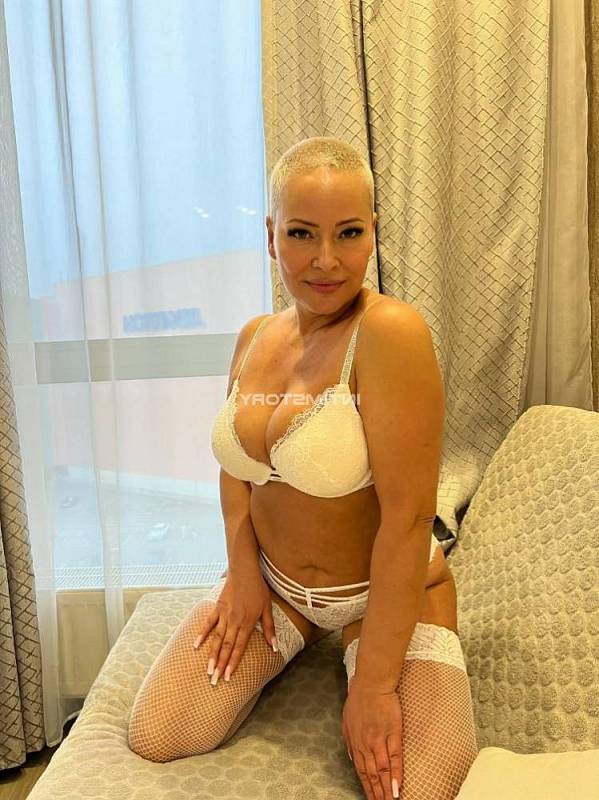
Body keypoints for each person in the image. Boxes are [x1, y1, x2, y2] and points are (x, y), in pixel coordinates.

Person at [127, 136, 479, 799]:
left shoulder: (389, 334)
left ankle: (356, 647)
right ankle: (304, 638)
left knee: (419, 790)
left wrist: (373, 687)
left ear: (373, 233)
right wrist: (242, 574)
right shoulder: (254, 338)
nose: (325, 260)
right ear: (271, 236)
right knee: (159, 732)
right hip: (279, 590)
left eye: (348, 233)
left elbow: (409, 519)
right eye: (300, 233)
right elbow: (238, 470)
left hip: (385, 594)